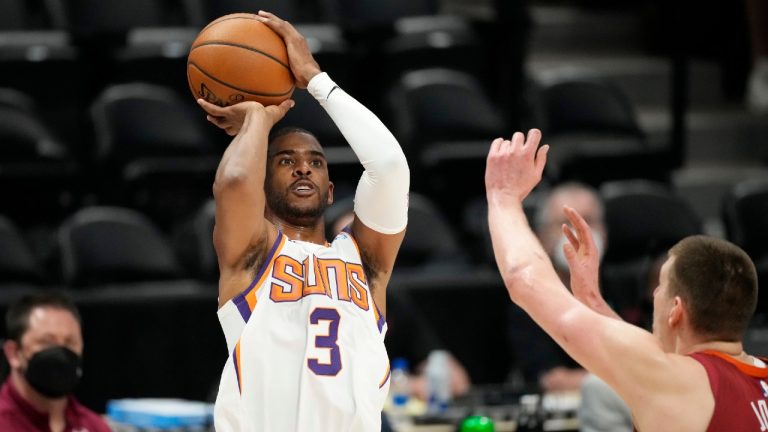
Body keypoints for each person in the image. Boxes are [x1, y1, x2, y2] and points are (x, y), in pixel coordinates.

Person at [196, 11, 410, 432]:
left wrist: (316, 79)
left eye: (315, 162)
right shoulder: (252, 253)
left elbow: (389, 167)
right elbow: (237, 180)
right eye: (285, 160)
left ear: (330, 191)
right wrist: (259, 117)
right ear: (265, 179)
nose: (303, 169)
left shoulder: (365, 260)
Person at [486, 129, 767, 431]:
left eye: (660, 287)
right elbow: (633, 349)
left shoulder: (675, 381)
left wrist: (503, 198)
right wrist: (592, 300)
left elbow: (524, 281)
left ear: (676, 309)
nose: (654, 294)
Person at [508, 182, 606, 392]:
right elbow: (554, 380)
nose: (580, 231)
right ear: (542, 237)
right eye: (565, 222)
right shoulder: (529, 299)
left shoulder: (626, 289)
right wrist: (628, 375)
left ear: (604, 231)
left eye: (588, 221)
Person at [0, 292, 111, 432]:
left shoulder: (94, 426)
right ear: (14, 353)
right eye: (46, 342)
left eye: (70, 343)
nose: (61, 354)